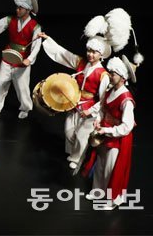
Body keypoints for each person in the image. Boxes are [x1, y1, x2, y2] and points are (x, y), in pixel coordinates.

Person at [38, 30, 110, 169]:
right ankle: (73, 152)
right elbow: (63, 54)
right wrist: (48, 39)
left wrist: (90, 111)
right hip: (74, 102)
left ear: (101, 55)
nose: (90, 54)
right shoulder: (81, 62)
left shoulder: (103, 75)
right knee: (69, 131)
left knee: (82, 135)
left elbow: (103, 100)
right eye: (89, 50)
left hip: (89, 108)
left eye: (94, 52)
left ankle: (77, 158)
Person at [82, 56, 138, 210]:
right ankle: (97, 192)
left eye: (113, 73)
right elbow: (102, 108)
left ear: (122, 76)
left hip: (117, 138)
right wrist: (98, 120)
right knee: (100, 164)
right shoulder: (109, 90)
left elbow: (127, 126)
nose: (110, 75)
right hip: (105, 132)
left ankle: (112, 199)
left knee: (111, 168)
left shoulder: (126, 99)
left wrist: (106, 130)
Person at [0, 0, 41, 119]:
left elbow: (37, 46)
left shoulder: (35, 26)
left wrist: (29, 59)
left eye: (20, 8)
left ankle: (25, 108)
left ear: (28, 10)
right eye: (17, 7)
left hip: (22, 60)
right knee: (1, 82)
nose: (17, 10)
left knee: (22, 87)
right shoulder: (10, 20)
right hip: (8, 56)